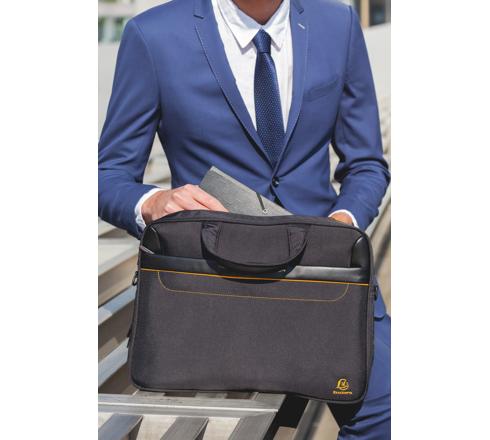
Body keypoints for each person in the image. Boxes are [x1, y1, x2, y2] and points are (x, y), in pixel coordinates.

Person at [98, 0, 391, 437]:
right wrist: (153, 202)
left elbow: (366, 164)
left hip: (326, 279)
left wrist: (344, 222)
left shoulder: (339, 25)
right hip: (213, 287)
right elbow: (107, 176)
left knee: (388, 417)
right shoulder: (153, 35)